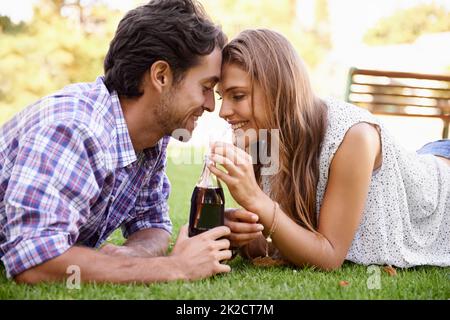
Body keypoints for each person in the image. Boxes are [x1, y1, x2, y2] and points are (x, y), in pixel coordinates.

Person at [0, 0, 232, 284]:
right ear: (161, 76)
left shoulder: (150, 140)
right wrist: (175, 268)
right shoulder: (75, 128)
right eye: (206, 88)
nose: (211, 105)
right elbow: (35, 262)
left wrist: (133, 255)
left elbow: (153, 224)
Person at [210, 29, 450, 270]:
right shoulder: (262, 138)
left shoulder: (353, 136)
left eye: (238, 96)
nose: (223, 112)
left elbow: (328, 256)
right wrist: (241, 231)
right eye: (223, 98)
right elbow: (282, 239)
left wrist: (255, 199)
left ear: (277, 89)